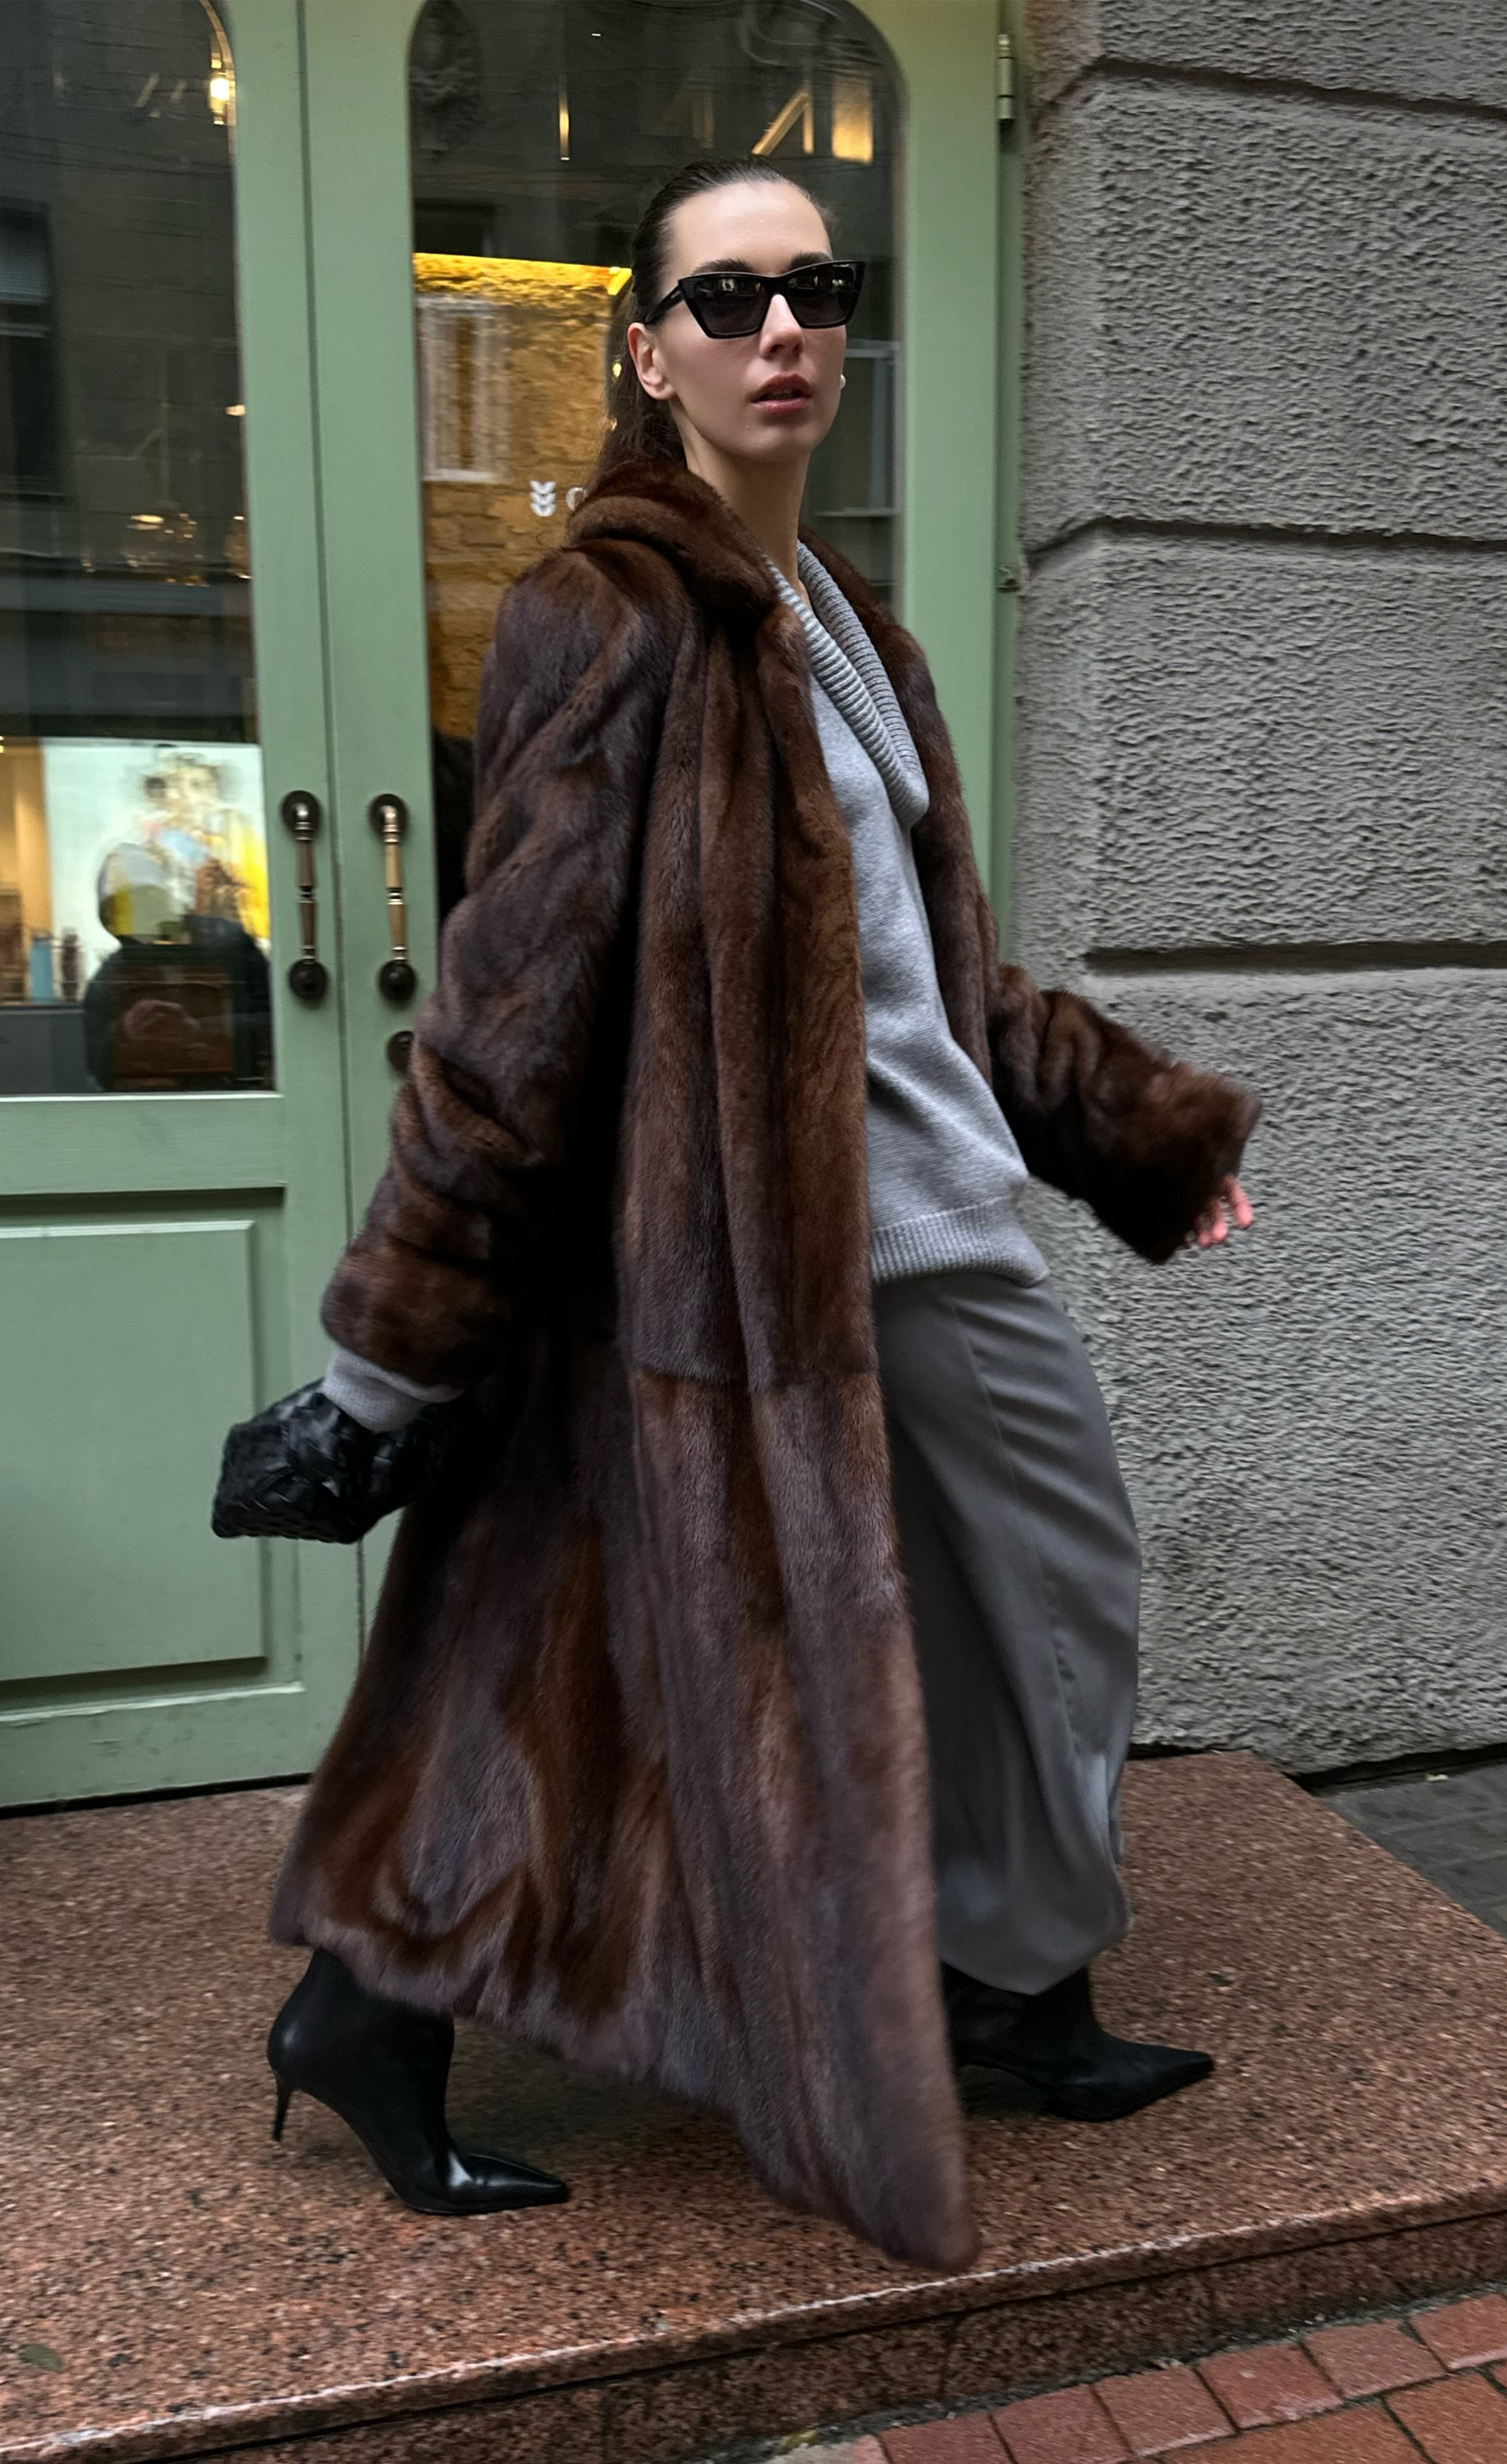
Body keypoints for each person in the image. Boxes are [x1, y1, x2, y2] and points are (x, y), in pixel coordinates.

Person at [212, 157, 1259, 2273]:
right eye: (726, 299)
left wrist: (1136, 1130)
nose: (781, 329)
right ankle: (988, 1973)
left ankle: (400, 2010)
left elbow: (937, 987)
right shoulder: (604, 616)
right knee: (1008, 1598)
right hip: (780, 1266)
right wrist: (388, 1356)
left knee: (725, 1624)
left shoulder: (852, 630)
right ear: (646, 353)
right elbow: (511, 1001)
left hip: (896, 1226)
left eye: (815, 288)